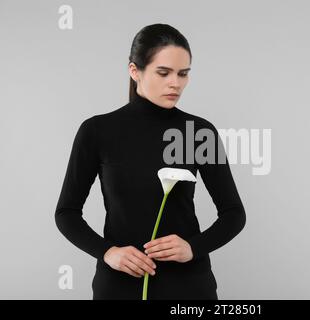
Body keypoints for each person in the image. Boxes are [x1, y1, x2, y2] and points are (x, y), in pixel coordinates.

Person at [55, 23, 246, 300]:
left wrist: (193, 248)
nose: (175, 83)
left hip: (189, 287)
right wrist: (108, 253)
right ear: (135, 71)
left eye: (183, 74)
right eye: (163, 72)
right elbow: (66, 213)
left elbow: (233, 213)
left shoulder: (198, 132)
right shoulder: (97, 131)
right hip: (119, 285)